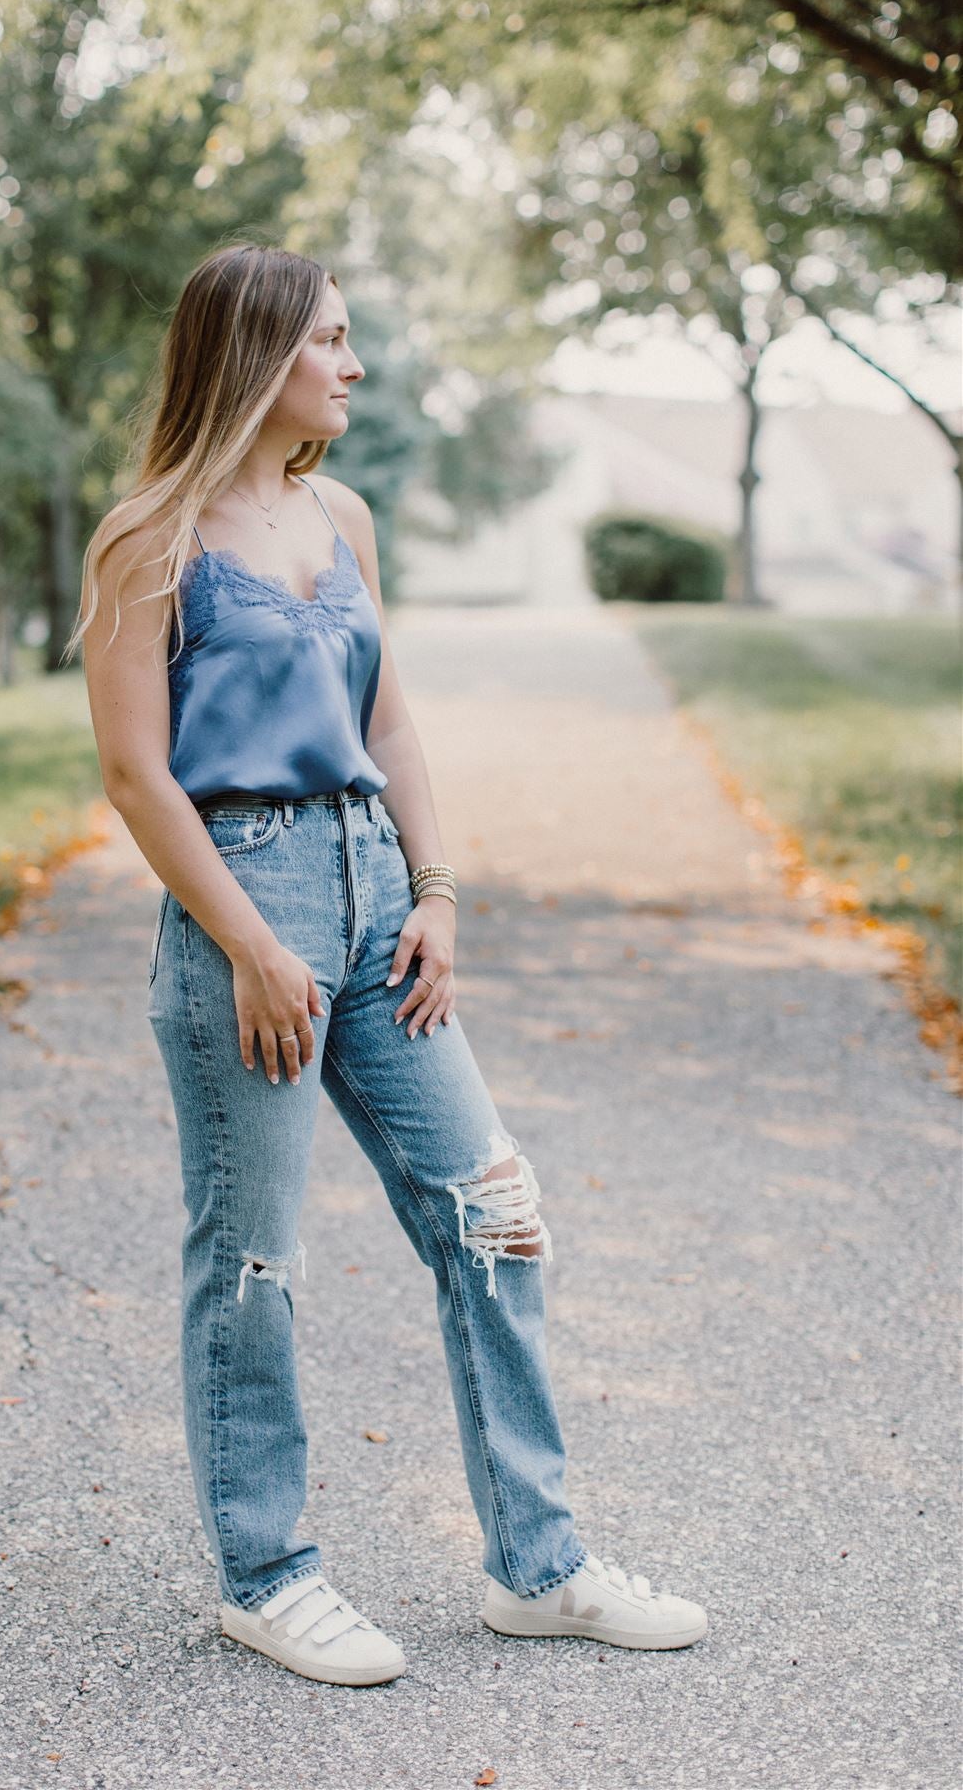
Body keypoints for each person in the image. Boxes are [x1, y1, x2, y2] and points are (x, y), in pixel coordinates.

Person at [69, 243, 707, 1685]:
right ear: (257, 354)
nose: (353, 368)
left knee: (494, 1210)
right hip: (250, 902)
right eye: (332, 342)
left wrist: (438, 892)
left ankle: (537, 1567)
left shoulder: (339, 514)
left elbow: (394, 723)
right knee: (251, 1260)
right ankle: (267, 1575)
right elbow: (132, 775)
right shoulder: (147, 539)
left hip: (373, 892)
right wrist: (250, 943)